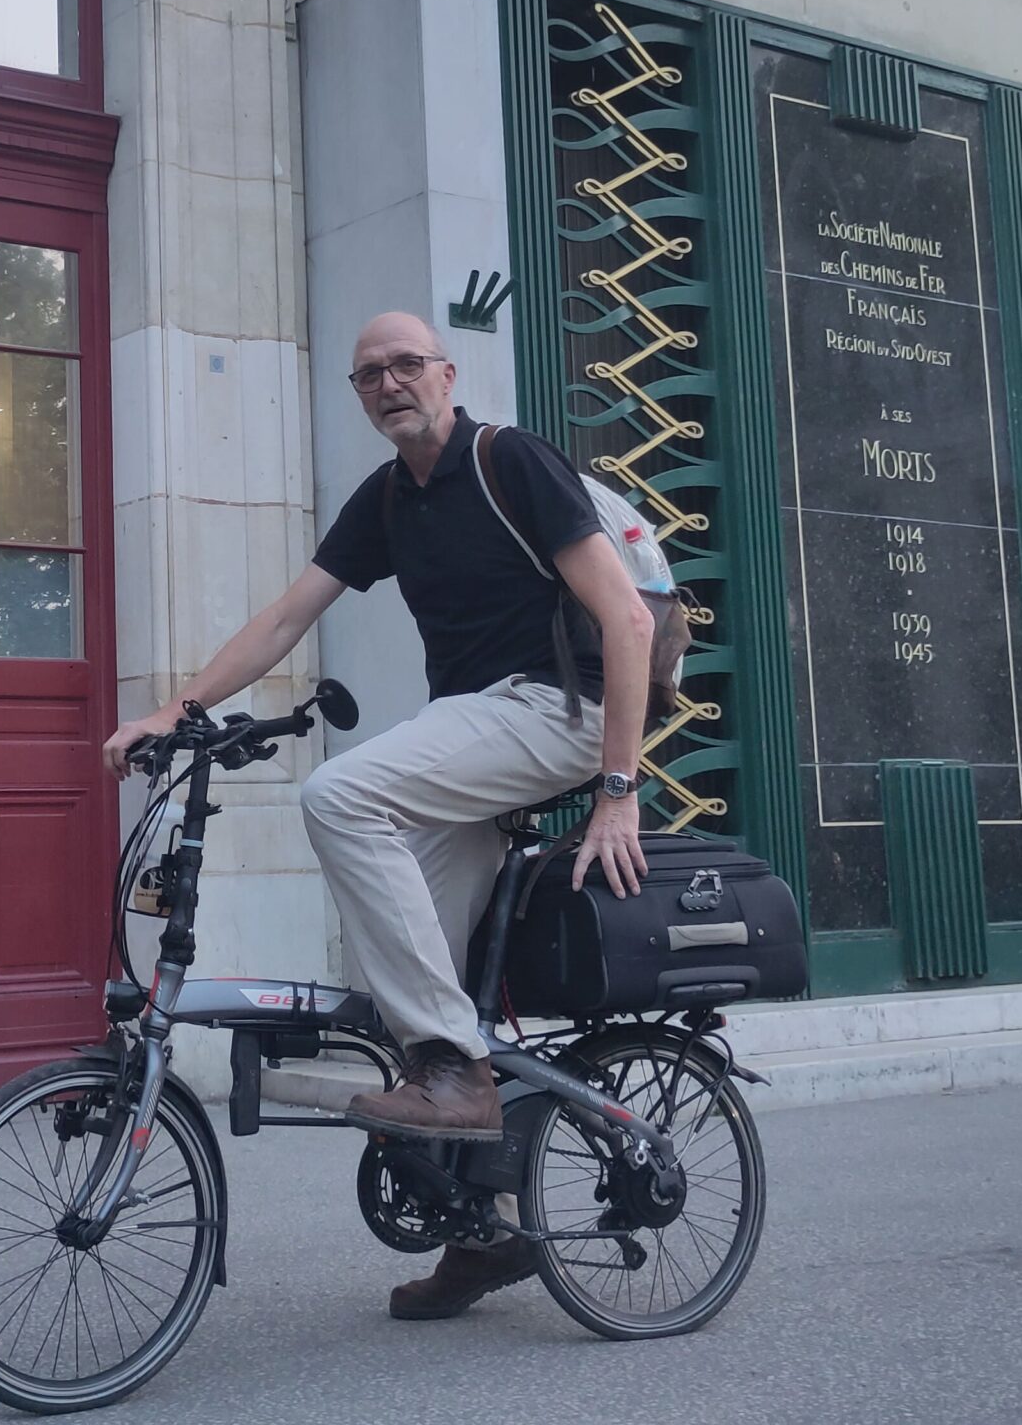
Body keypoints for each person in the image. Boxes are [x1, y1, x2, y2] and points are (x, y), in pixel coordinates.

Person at [102, 310, 655, 1319]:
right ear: (358, 396)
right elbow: (283, 618)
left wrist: (618, 792)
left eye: (407, 364)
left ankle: (460, 1071)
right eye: (369, 374)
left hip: (560, 711)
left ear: (446, 374)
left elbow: (625, 616)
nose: (389, 381)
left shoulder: (509, 461)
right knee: (399, 996)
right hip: (480, 723)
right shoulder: (387, 502)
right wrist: (175, 712)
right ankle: (482, 1227)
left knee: (341, 792)